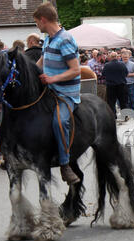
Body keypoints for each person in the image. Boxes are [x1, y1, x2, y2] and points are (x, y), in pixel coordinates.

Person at [34, 2, 81, 185]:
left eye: (37, 22)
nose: (37, 26)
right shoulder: (48, 39)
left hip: (66, 94)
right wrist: (30, 71)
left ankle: (65, 164)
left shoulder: (65, 39)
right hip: (49, 91)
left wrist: (53, 79)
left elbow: (75, 70)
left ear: (43, 20)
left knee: (59, 122)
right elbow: (42, 59)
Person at [102, 52, 128, 119]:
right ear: (117, 57)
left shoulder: (107, 65)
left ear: (110, 57)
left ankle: (113, 116)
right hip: (121, 85)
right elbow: (126, 73)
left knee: (111, 102)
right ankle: (125, 116)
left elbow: (103, 74)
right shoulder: (122, 64)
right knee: (123, 101)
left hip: (111, 86)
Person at [122, 50, 134, 118]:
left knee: (132, 99)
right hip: (123, 84)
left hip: (131, 84)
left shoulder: (133, 64)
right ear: (121, 57)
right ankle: (128, 114)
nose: (125, 59)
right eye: (124, 58)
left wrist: (128, 75)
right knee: (126, 100)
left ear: (129, 57)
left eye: (126, 57)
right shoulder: (120, 64)